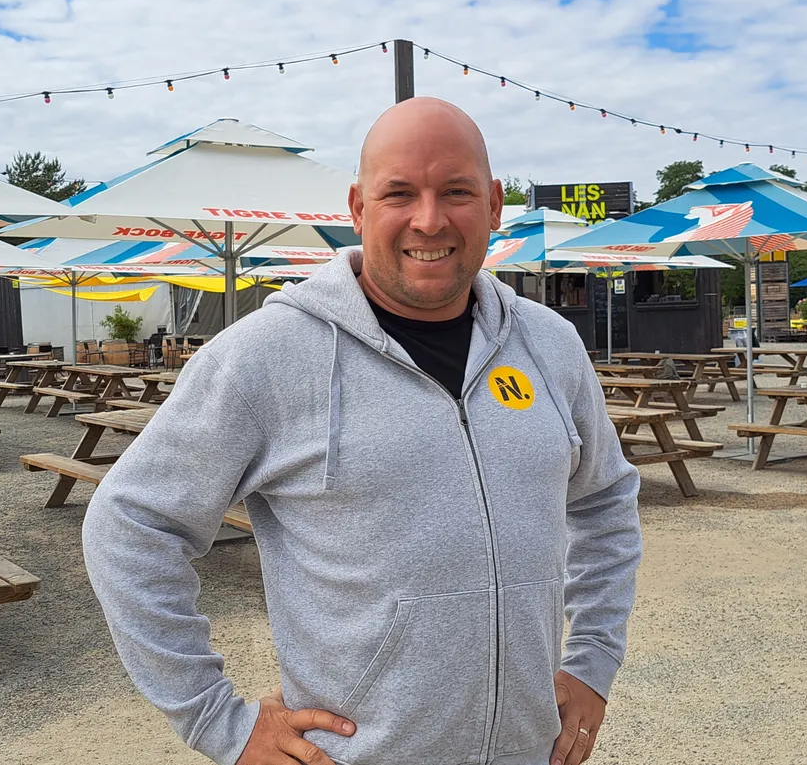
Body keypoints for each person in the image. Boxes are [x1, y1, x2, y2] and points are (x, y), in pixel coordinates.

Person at [82, 97, 642, 765]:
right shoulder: (266, 355)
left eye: (456, 191)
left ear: (494, 205)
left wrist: (593, 659)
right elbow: (129, 523)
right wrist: (218, 720)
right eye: (400, 192)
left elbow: (605, 500)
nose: (428, 219)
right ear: (358, 206)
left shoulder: (550, 346)